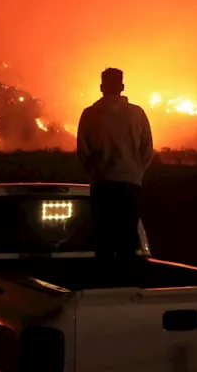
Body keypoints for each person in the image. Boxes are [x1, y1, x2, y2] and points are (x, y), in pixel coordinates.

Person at [76, 68, 154, 265]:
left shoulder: (89, 115)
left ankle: (104, 285)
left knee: (103, 239)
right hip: (131, 185)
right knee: (127, 238)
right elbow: (147, 149)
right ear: (122, 87)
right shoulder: (137, 114)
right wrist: (135, 171)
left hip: (103, 185)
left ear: (101, 87)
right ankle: (125, 284)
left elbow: (83, 151)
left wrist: (97, 173)